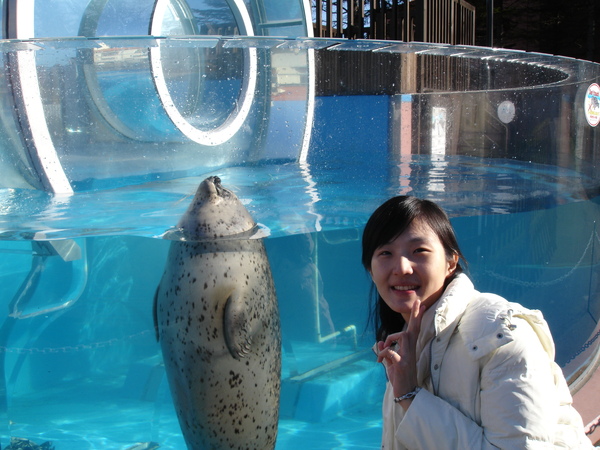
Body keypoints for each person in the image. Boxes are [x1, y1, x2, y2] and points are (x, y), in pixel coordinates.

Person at [362, 195, 593, 449]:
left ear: (451, 262)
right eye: (385, 253)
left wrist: (410, 396)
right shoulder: (402, 342)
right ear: (371, 270)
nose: (402, 267)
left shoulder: (501, 335)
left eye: (419, 251)